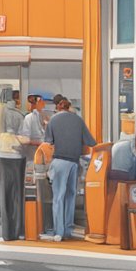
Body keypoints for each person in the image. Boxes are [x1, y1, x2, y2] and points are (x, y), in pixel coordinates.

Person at [42, 98, 94, 242]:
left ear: (58, 107)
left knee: (58, 197)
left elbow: (48, 141)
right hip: (74, 162)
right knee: (71, 195)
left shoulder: (53, 120)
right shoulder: (78, 120)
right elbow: (91, 141)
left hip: (59, 161)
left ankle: (58, 232)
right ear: (69, 107)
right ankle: (67, 230)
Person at [0, 88, 27, 241]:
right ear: (15, 99)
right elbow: (25, 136)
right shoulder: (20, 114)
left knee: (5, 194)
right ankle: (19, 231)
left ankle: (7, 233)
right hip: (17, 155)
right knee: (18, 194)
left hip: (2, 154)